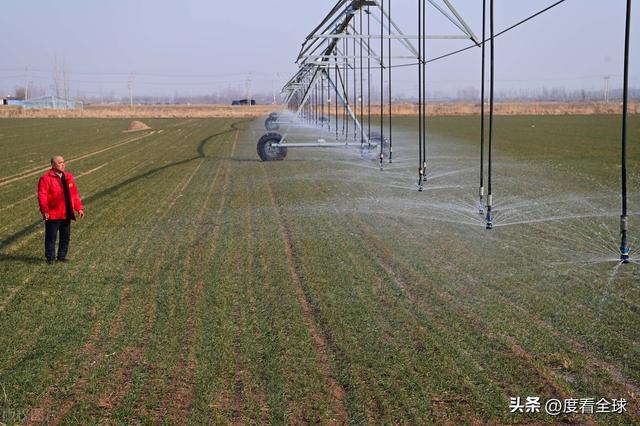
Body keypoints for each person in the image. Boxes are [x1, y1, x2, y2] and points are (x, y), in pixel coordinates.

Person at [37, 156, 85, 264]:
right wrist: (45, 210)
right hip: (53, 214)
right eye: (60, 163)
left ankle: (61, 257)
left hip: (66, 213)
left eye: (64, 162)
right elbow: (42, 196)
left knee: (65, 237)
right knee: (51, 238)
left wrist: (79, 208)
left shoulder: (69, 177)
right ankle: (50, 258)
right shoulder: (45, 178)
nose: (63, 164)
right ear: (53, 165)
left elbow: (74, 194)